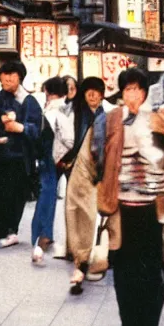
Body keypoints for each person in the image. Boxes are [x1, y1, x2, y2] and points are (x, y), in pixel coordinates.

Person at [107, 68, 164, 326]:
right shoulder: (112, 120)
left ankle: (150, 325)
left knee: (151, 272)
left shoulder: (156, 120)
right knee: (124, 275)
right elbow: (99, 156)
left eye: (137, 89)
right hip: (121, 208)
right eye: (127, 90)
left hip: (150, 208)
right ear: (121, 93)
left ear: (145, 93)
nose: (132, 95)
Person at [0, 60, 42, 248]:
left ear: (20, 77)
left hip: (19, 156)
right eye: (5, 74)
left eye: (13, 74)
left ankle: (11, 230)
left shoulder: (29, 101)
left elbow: (37, 129)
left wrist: (20, 128)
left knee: (15, 194)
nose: (8, 78)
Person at [58, 77, 106, 292]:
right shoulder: (75, 114)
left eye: (97, 92)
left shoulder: (107, 116)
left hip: (98, 171)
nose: (93, 95)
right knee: (74, 209)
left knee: (91, 213)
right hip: (77, 169)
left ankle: (85, 256)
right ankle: (78, 254)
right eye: (89, 91)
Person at [31, 77, 75, 265]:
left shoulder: (54, 111)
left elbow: (67, 139)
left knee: (47, 194)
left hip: (51, 157)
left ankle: (43, 235)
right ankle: (45, 234)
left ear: (48, 91)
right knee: (51, 194)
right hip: (55, 157)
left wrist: (60, 156)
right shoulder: (65, 108)